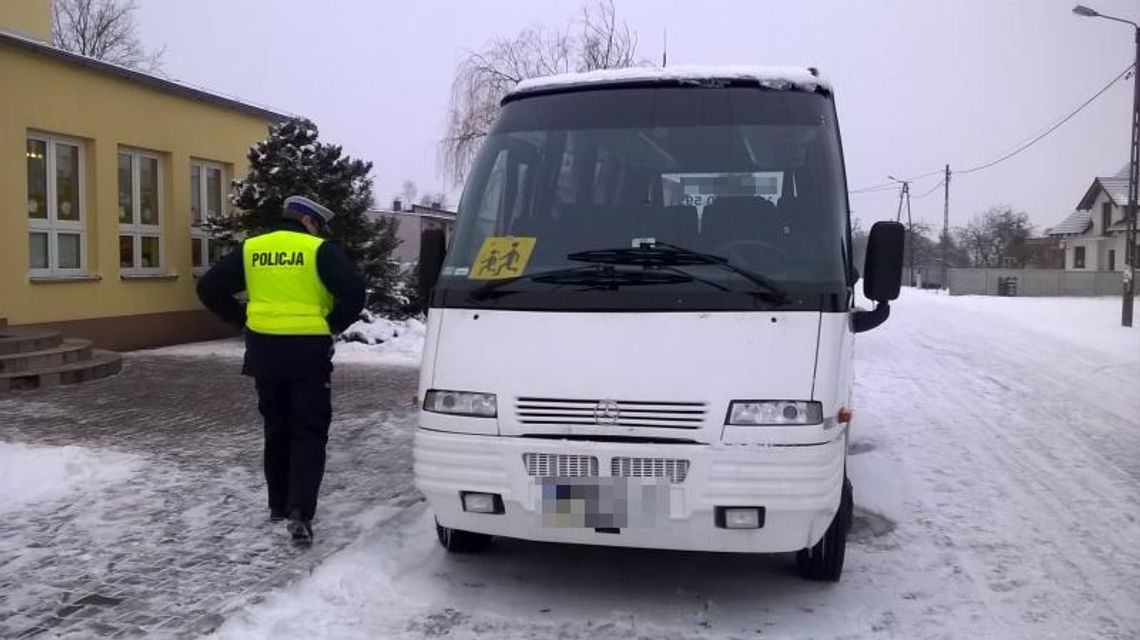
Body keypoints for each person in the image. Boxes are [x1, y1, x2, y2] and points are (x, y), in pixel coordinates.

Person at [197, 195, 365, 545]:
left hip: (264, 352)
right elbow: (353, 292)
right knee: (308, 430)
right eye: (317, 225)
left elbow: (209, 287)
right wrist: (331, 324)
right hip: (307, 353)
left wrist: (241, 319)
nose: (317, 230)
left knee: (276, 427)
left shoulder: (252, 249)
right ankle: (300, 510)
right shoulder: (319, 250)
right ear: (308, 221)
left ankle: (277, 504)